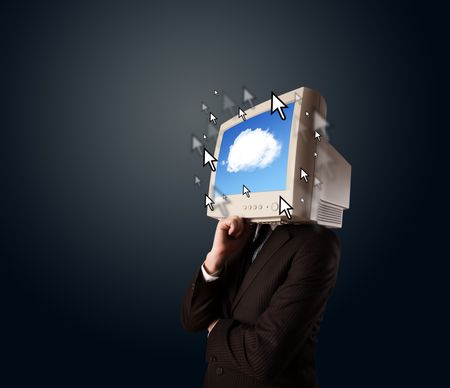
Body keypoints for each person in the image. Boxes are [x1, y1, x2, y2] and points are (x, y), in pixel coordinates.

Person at [181, 215, 340, 388]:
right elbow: (192, 320)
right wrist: (215, 257)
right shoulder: (239, 232)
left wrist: (214, 328)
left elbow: (263, 355)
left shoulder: (315, 242)